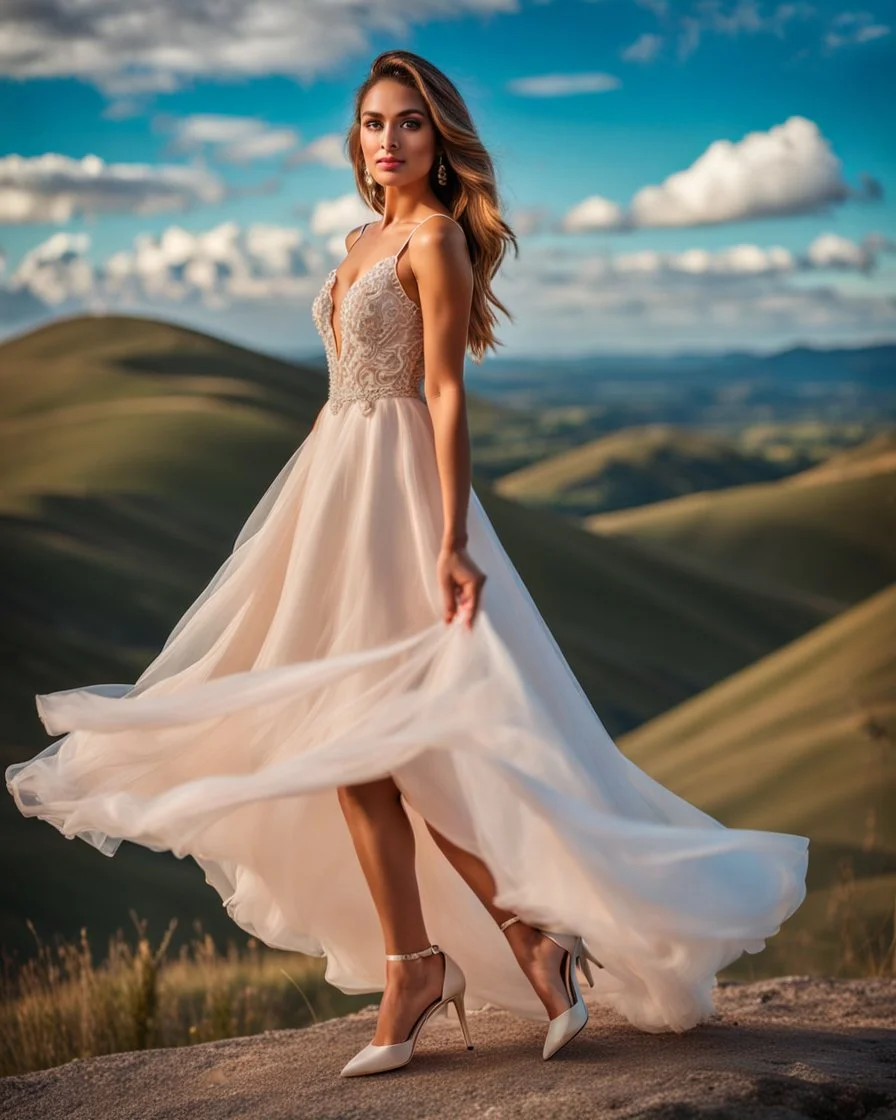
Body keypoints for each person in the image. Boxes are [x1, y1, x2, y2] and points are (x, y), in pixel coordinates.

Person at [6, 50, 809, 1078]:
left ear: (441, 143)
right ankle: (466, 952)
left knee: (382, 739)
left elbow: (441, 394)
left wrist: (449, 541)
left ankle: (471, 950)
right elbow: (342, 386)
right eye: (373, 124)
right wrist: (293, 514)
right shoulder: (358, 240)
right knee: (350, 745)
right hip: (334, 488)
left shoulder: (433, 242)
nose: (385, 140)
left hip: (401, 499)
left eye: (408, 125)